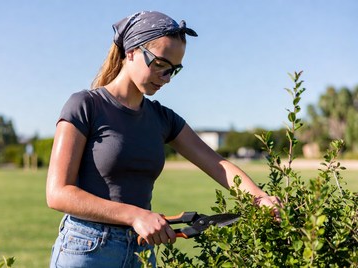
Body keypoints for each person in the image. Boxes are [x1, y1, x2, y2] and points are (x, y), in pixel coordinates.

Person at [47, 10, 282, 268]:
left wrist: (260, 199)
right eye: (160, 65)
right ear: (131, 52)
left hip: (141, 249)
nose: (167, 78)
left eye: (173, 70)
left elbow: (217, 164)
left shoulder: (162, 118)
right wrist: (135, 215)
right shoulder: (85, 106)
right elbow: (58, 193)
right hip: (88, 248)